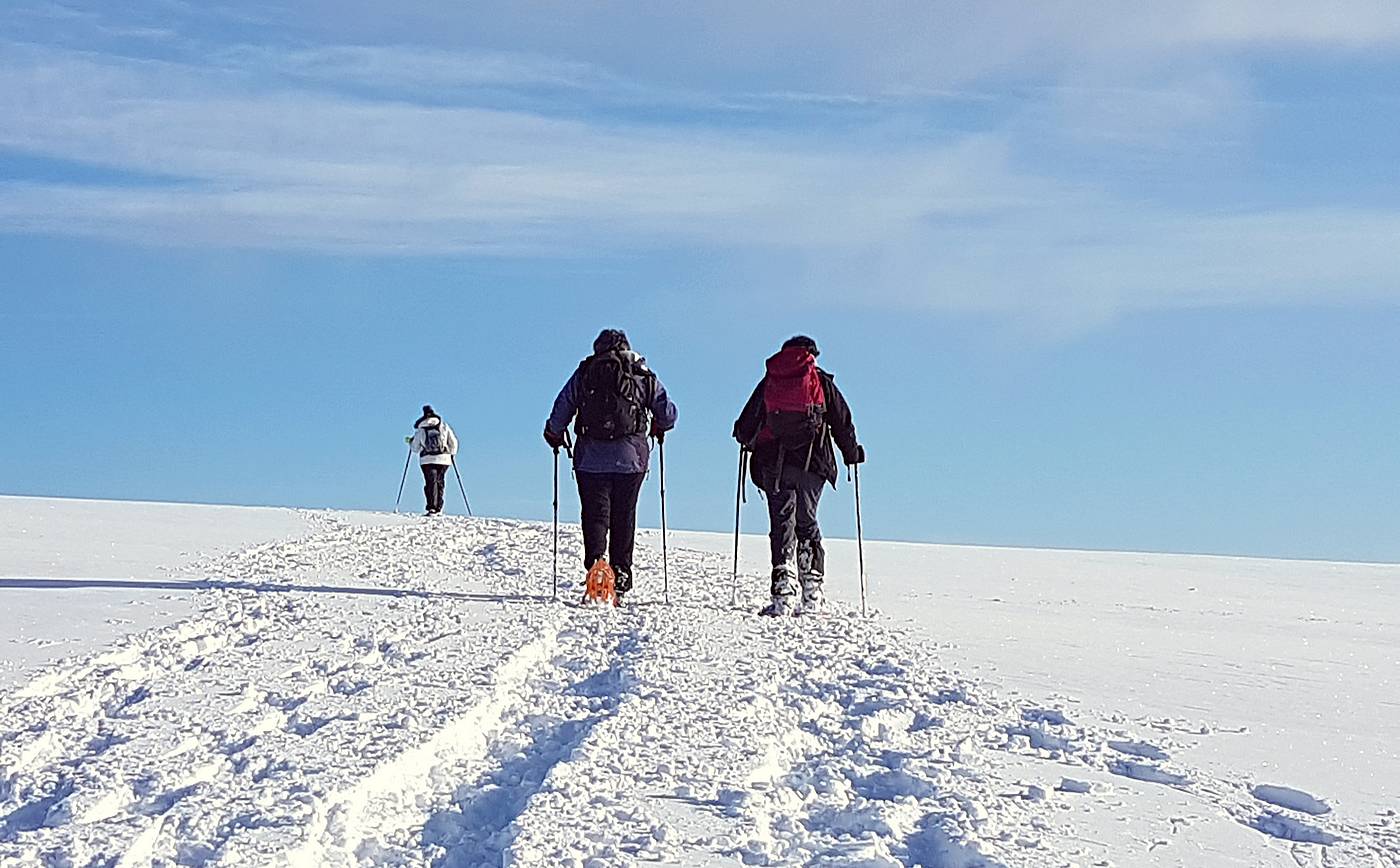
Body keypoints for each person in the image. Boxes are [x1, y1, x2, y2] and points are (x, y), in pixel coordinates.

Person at [732, 335, 864, 615]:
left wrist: (745, 437)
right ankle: (812, 592)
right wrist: (851, 453)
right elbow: (842, 420)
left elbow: (746, 424)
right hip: (813, 464)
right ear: (812, 354)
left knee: (781, 524)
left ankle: (782, 594)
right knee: (808, 521)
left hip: (774, 464)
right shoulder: (821, 382)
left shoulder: (771, 380)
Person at [544, 329, 677, 601]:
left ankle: (596, 564)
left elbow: (562, 407)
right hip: (632, 460)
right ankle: (621, 573)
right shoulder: (642, 374)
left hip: (590, 459)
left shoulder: (585, 373)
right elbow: (669, 413)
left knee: (594, 513)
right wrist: (658, 426)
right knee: (623, 515)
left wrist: (553, 433)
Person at [408, 405, 458, 515]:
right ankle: (439, 507)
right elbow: (453, 442)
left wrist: (411, 442)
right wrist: (452, 453)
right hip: (444, 459)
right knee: (440, 481)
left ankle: (432, 507)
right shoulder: (444, 426)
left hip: (427, 460)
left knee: (430, 482)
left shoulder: (421, 430)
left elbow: (415, 448)